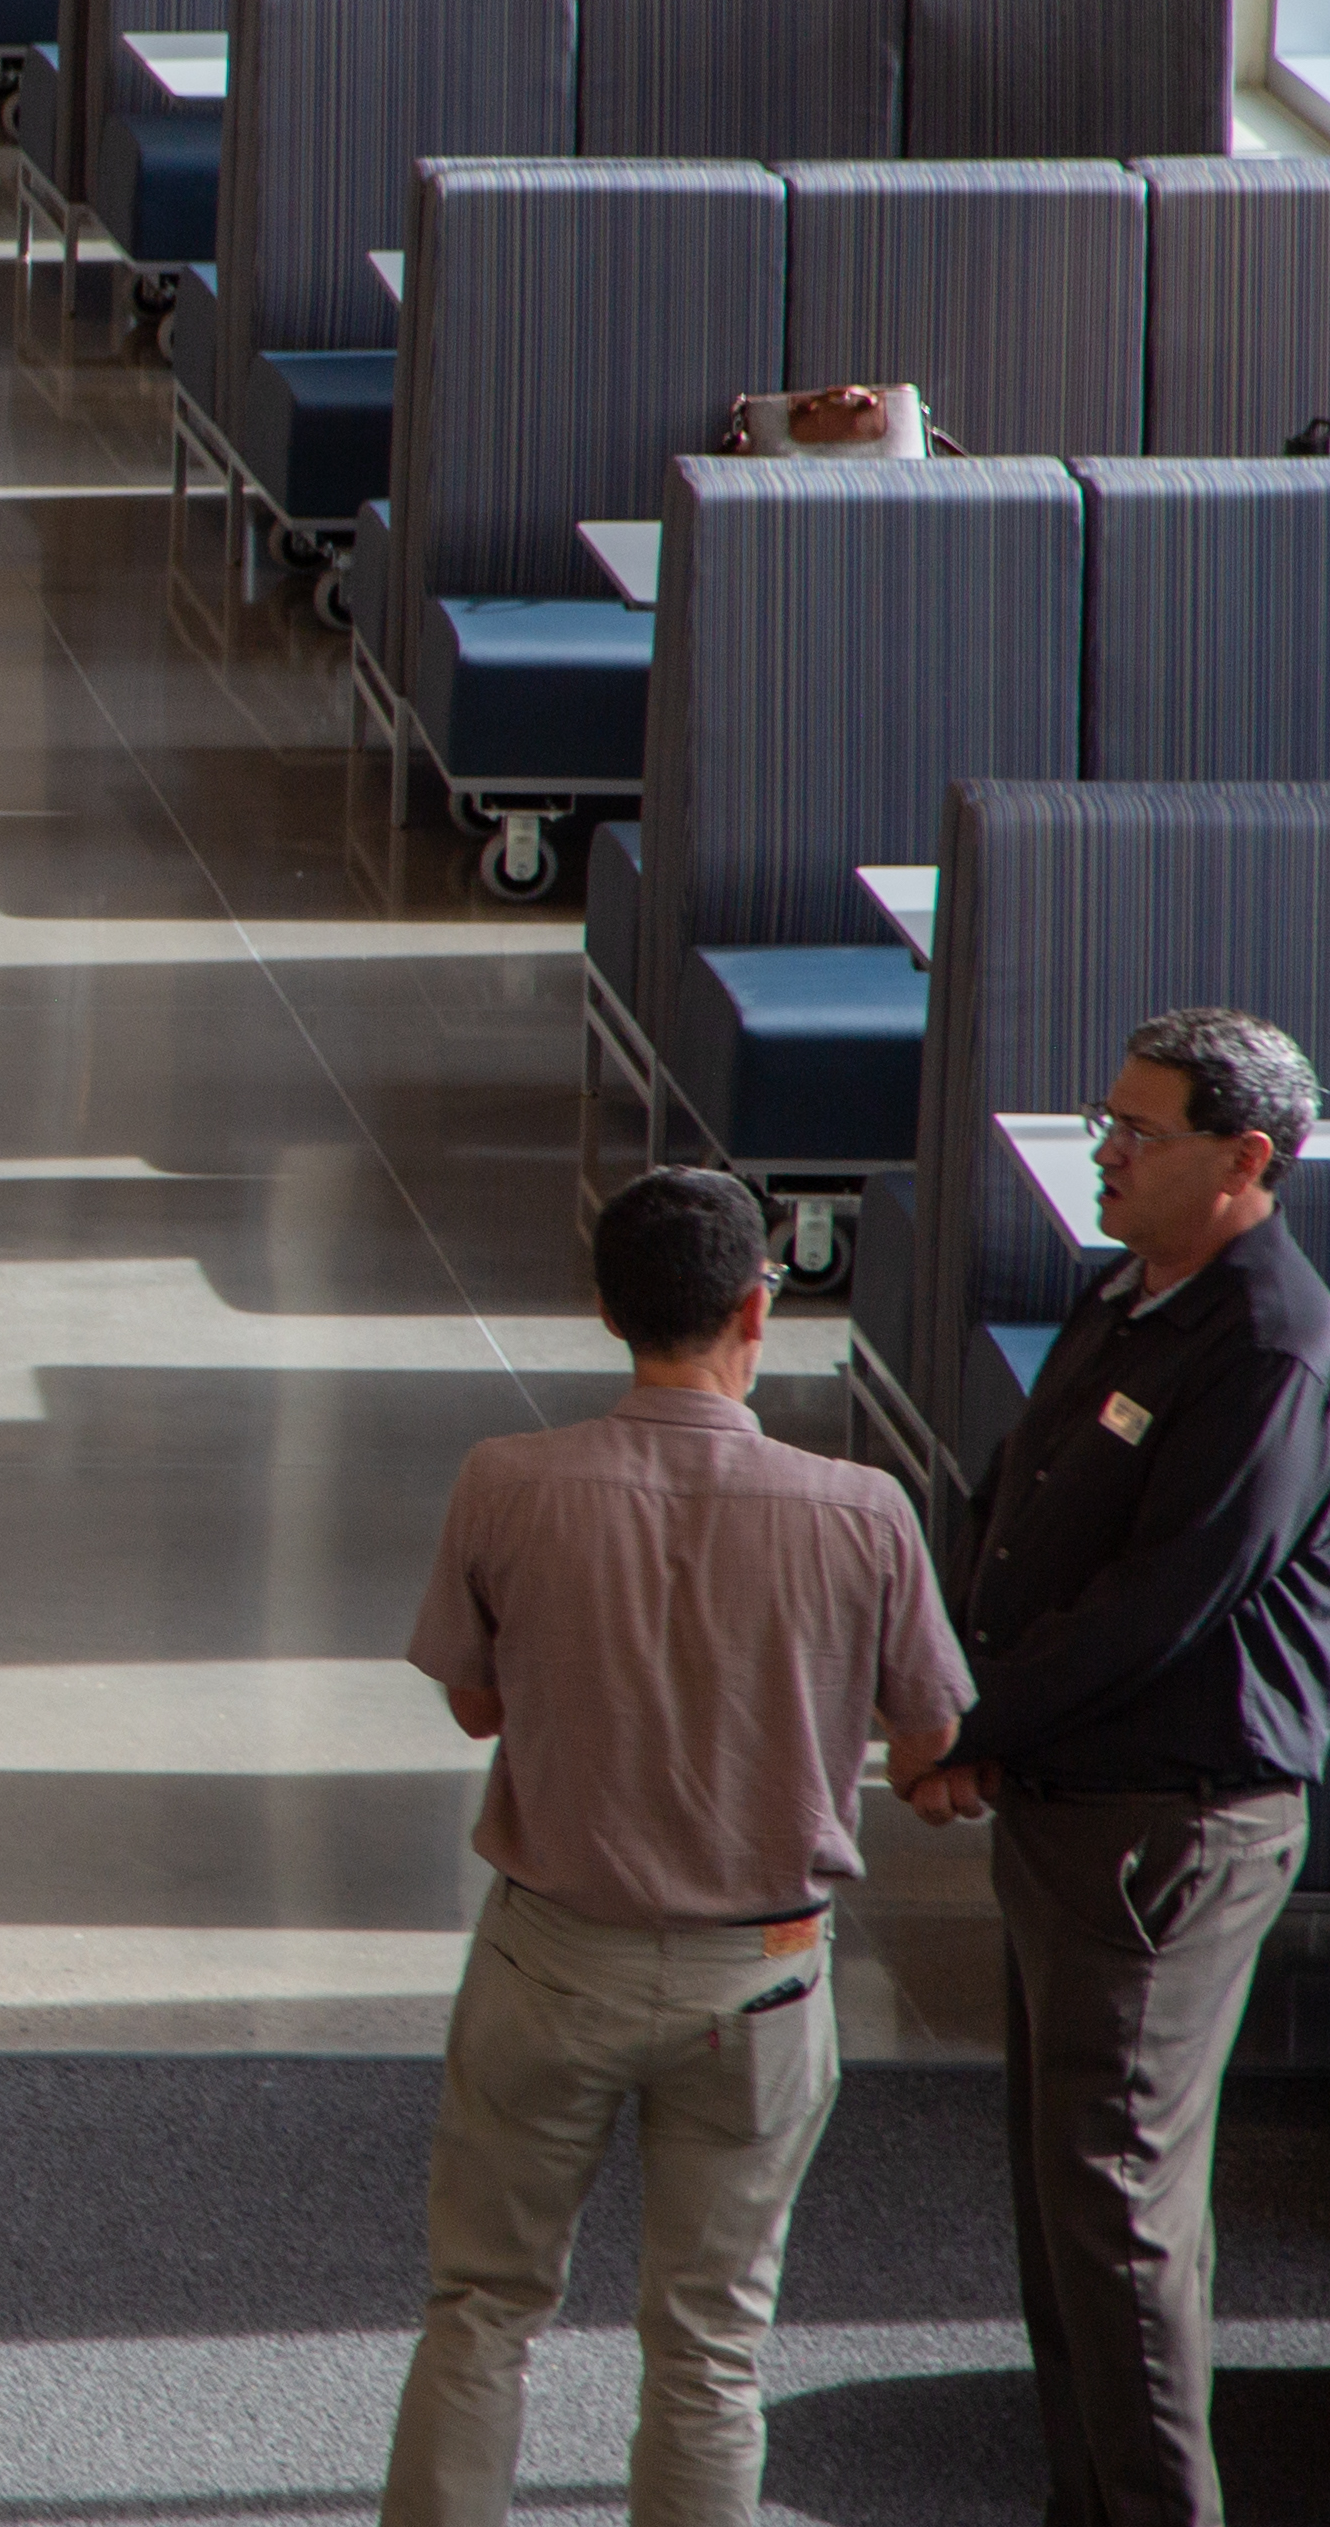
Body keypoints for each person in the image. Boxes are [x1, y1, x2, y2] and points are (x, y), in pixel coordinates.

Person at [367, 1168, 968, 2527]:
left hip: (549, 1962)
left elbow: (475, 1703)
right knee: (710, 2348)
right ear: (761, 1303)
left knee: (482, 2310)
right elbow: (930, 1752)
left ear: (603, 1308)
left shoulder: (507, 1483)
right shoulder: (864, 1512)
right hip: (760, 1983)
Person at [905, 1009, 1330, 2527]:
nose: (1107, 1152)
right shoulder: (1133, 1293)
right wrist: (952, 1687)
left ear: (1247, 1160)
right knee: (1070, 2213)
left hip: (1170, 1823)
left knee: (1120, 2214)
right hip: (1070, 1809)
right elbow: (1013, 1501)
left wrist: (972, 1727)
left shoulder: (1271, 1341)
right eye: (1107, 1121)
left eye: (1139, 1134)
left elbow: (1173, 1594)